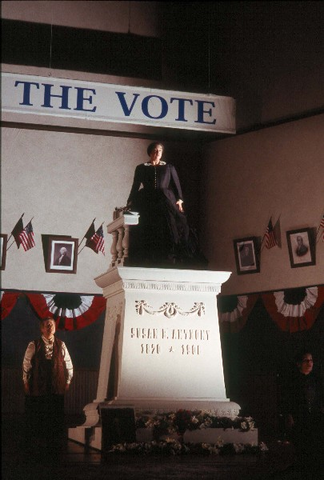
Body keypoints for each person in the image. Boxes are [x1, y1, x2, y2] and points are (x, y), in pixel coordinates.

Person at [126, 142, 206, 267]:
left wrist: (179, 200)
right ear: (150, 152)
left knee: (170, 224)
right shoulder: (141, 168)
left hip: (165, 199)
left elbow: (176, 185)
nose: (158, 153)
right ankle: (149, 255)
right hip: (147, 200)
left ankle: (171, 254)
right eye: (155, 151)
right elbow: (135, 186)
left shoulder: (169, 168)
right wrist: (130, 201)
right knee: (148, 225)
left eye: (160, 151)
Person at [22, 316, 73, 461]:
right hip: (38, 385)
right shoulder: (34, 344)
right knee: (39, 413)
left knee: (55, 414)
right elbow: (26, 364)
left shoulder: (61, 345)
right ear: (42, 328)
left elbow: (69, 364)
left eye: (52, 325)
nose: (50, 327)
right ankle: (37, 447)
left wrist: (67, 381)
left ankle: (54, 447)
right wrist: (25, 381)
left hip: (56, 385)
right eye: (47, 325)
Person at [282, 350, 324, 471]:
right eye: (306, 360)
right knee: (302, 445)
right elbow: (287, 399)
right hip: (300, 417)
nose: (309, 363)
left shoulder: (316, 379)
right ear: (299, 363)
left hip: (315, 417)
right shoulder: (292, 380)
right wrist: (289, 415)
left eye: (311, 360)